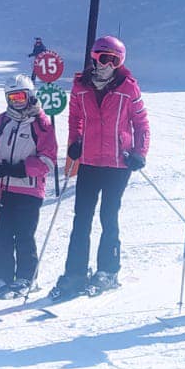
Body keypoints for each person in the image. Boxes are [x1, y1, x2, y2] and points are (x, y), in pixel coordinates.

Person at [49, 36, 150, 302]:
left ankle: (108, 270)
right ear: (93, 58)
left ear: (119, 63)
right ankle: (76, 272)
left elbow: (141, 124)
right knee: (81, 218)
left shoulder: (128, 89)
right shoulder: (80, 87)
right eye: (102, 58)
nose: (106, 64)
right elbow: (75, 117)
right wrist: (76, 141)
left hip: (119, 163)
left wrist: (139, 153)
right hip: (91, 161)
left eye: (113, 60)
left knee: (108, 215)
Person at [0, 74, 60, 299]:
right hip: (5, 188)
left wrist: (19, 170)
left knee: (24, 234)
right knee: (2, 234)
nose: (16, 101)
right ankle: (2, 276)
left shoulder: (41, 123)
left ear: (30, 96)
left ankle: (27, 277)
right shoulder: (3, 120)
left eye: (21, 96)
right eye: (12, 97)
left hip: (29, 190)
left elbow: (48, 160)